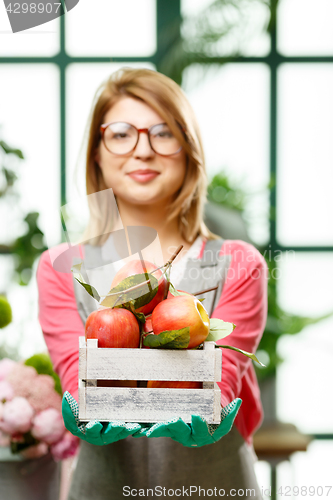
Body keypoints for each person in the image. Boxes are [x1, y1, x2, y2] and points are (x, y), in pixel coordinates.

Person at [37, 67, 267, 499]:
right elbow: (75, 374)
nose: (143, 150)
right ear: (97, 155)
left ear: (188, 151)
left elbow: (225, 378)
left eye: (163, 133)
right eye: (121, 134)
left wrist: (212, 409)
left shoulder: (239, 264)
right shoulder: (60, 268)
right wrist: (81, 410)